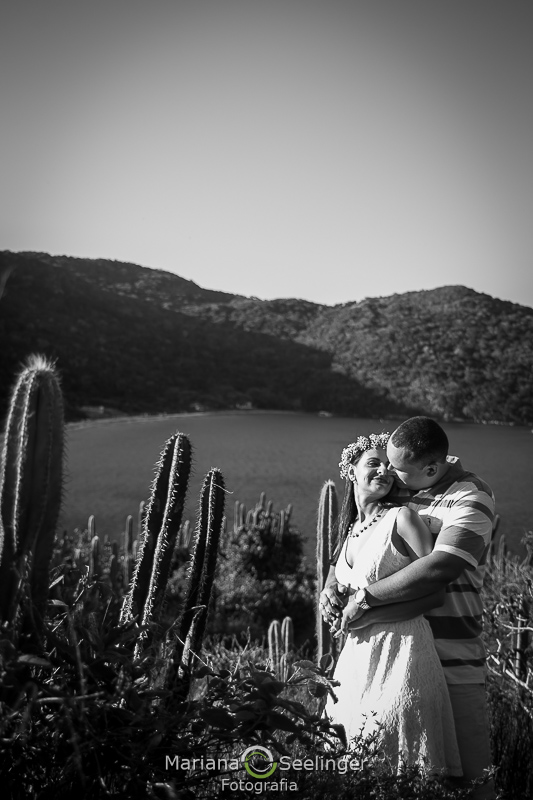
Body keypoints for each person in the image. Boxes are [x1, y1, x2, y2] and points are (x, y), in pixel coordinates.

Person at [322, 417, 496, 800]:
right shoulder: (402, 491)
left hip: (453, 661)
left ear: (431, 469)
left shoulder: (472, 496)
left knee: (471, 781)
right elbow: (359, 538)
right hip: (393, 659)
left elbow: (440, 566)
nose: (390, 474)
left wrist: (365, 599)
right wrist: (331, 584)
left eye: (396, 467)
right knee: (393, 779)